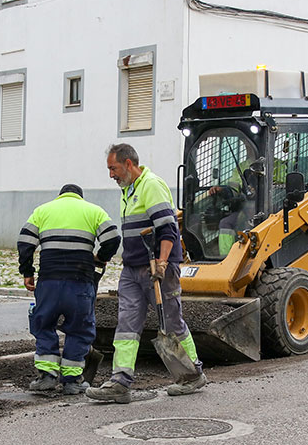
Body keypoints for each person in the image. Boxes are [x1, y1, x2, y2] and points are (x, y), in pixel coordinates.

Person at [86, 143, 207, 404]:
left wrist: (162, 263)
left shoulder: (151, 185)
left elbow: (168, 229)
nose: (111, 175)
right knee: (126, 325)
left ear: (128, 164)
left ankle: (192, 374)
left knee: (171, 322)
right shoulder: (128, 191)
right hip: (132, 269)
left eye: (113, 168)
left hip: (157, 268)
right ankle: (120, 381)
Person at [17, 184, 120, 395]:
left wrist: (27, 272)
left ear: (60, 196)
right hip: (80, 282)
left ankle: (46, 377)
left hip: (49, 282)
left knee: (44, 324)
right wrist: (101, 258)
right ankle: (72, 381)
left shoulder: (43, 210)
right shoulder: (94, 211)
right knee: (80, 329)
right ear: (80, 197)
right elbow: (113, 238)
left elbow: (25, 242)